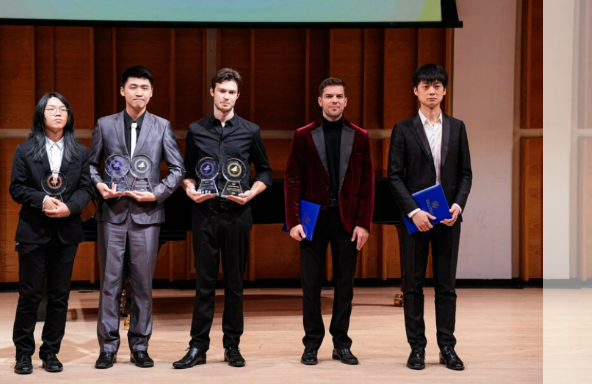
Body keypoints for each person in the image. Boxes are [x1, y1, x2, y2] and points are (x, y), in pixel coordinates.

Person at [173, 68, 273, 369]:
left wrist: (252, 192)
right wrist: (189, 189)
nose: (226, 96)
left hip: (237, 214)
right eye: (222, 90)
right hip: (204, 213)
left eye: (232, 92)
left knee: (234, 284)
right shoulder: (196, 130)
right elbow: (188, 172)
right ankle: (197, 347)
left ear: (237, 95)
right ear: (212, 92)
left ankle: (232, 346)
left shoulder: (250, 131)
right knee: (204, 283)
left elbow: (265, 170)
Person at [88, 65, 185, 369]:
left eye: (144, 87)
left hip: (147, 215)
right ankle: (108, 348)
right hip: (112, 215)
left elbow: (179, 170)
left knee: (142, 285)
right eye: (133, 87)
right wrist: (100, 185)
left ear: (151, 92)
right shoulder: (105, 125)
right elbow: (90, 165)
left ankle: (140, 345)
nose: (139, 92)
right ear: (122, 91)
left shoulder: (162, 126)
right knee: (110, 284)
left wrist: (156, 193)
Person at [283, 77, 374, 366]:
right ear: (320, 101)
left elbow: (367, 183)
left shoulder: (360, 136)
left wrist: (364, 223)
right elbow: (292, 179)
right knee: (311, 285)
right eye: (329, 96)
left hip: (347, 220)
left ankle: (341, 344)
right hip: (313, 221)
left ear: (346, 101)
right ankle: (311, 344)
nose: (334, 100)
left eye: (339, 96)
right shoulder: (303, 135)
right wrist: (294, 219)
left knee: (345, 285)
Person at [387, 63, 472, 371]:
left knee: (446, 286)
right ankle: (417, 348)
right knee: (412, 285)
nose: (432, 91)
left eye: (437, 86)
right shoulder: (403, 129)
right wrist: (413, 210)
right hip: (415, 219)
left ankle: (447, 348)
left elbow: (465, 174)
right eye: (426, 86)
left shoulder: (457, 127)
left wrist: (458, 206)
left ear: (445, 90)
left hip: (448, 219)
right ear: (416, 91)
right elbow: (394, 176)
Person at [9, 92, 94, 375]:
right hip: (33, 231)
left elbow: (86, 188)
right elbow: (17, 188)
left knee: (59, 296)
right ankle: (23, 353)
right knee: (30, 295)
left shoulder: (80, 151)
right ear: (40, 115)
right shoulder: (25, 150)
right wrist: (42, 200)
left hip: (66, 232)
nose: (58, 113)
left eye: (63, 109)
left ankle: (50, 352)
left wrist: (70, 207)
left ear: (69, 116)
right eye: (51, 109)